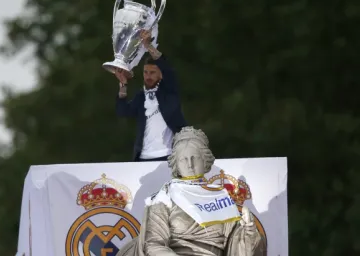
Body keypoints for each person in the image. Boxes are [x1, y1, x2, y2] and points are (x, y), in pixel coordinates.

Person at [116, 126, 266, 256]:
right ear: (176, 163)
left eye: (195, 158)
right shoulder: (164, 197)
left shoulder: (221, 198)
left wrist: (249, 231)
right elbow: (153, 245)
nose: (190, 164)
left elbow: (237, 248)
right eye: (183, 159)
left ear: (205, 160)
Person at [114, 30, 187, 162]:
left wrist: (148, 46)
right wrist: (123, 85)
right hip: (143, 157)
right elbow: (123, 112)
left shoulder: (169, 91)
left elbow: (167, 68)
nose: (148, 76)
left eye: (152, 72)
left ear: (160, 74)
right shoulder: (141, 96)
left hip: (170, 156)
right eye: (146, 72)